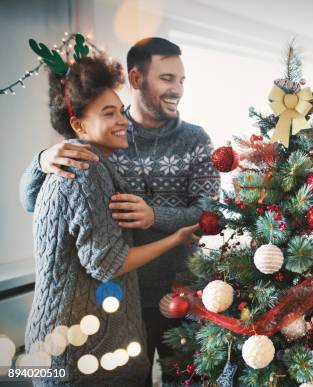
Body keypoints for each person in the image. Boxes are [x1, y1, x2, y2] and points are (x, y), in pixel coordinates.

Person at [19, 37, 220, 385]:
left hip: (181, 291)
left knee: (182, 379)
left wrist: (155, 216)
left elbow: (210, 213)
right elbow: (31, 199)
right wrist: (40, 160)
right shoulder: (97, 139)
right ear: (137, 79)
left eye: (181, 80)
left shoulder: (195, 139)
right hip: (121, 298)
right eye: (167, 78)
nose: (178, 89)